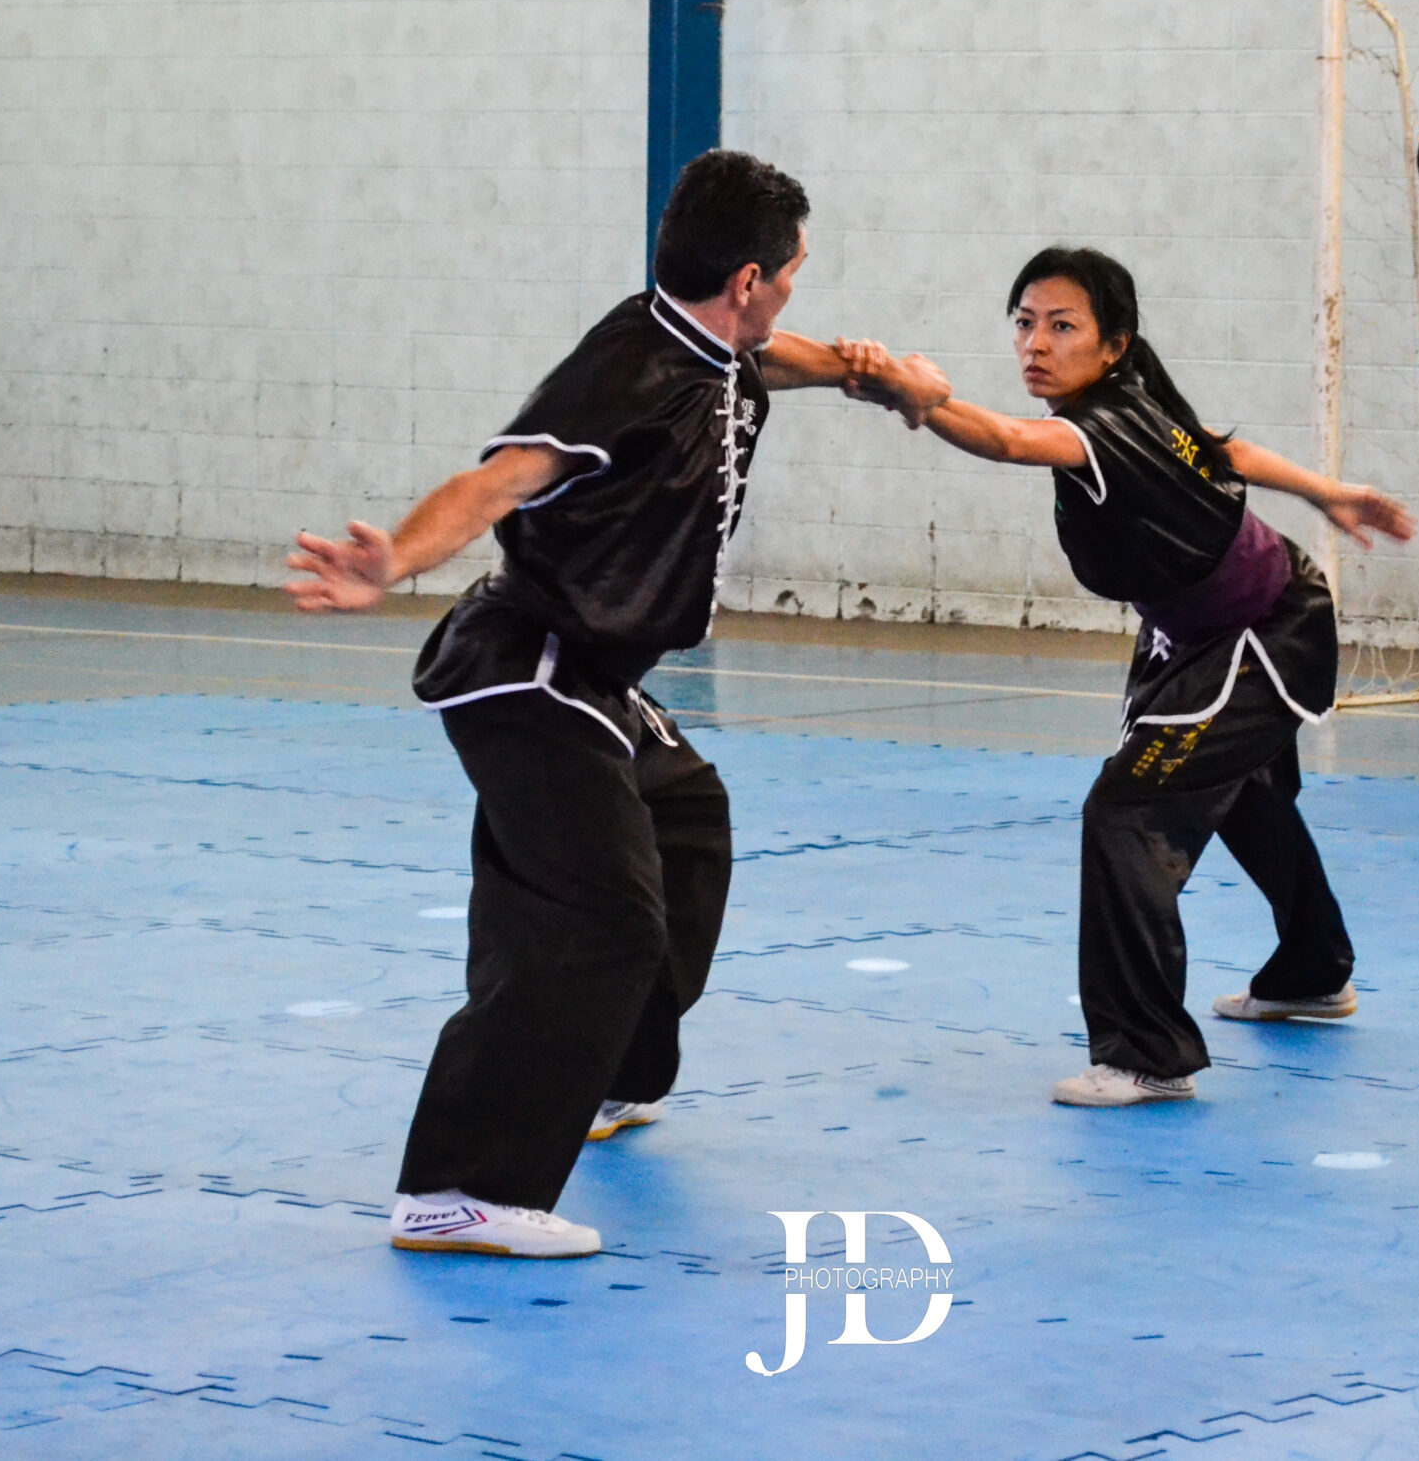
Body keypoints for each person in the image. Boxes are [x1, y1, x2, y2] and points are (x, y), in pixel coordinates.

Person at [285, 150, 935, 1256]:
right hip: (533, 668)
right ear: (746, 278)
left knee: (685, 827)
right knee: (595, 919)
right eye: (791, 271)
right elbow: (502, 478)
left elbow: (772, 360)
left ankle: (607, 1074)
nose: (794, 288)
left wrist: (869, 375)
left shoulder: (718, 343)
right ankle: (459, 1191)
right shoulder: (626, 366)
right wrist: (393, 558)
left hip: (601, 680)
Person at [840, 248, 1413, 1108]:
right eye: (1025, 322)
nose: (1036, 343)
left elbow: (1004, 440)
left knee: (1128, 810)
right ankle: (1311, 970)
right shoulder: (1130, 403)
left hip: (1258, 632)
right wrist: (1328, 491)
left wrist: (920, 398)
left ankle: (1148, 1052)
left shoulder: (1100, 424)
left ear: (1113, 346)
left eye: (1062, 325)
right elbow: (1232, 452)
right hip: (1198, 631)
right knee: (1245, 792)